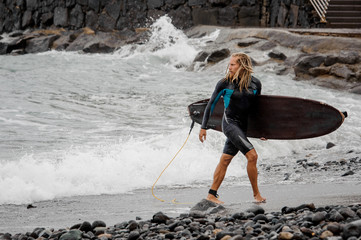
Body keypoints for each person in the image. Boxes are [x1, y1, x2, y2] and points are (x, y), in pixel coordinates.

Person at [199, 52, 266, 204]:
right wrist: (203, 127)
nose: (229, 67)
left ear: (242, 66)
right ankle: (256, 195)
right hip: (229, 124)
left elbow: (256, 110)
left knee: (225, 160)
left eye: (232, 64)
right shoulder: (224, 83)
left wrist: (261, 131)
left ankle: (211, 194)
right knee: (252, 156)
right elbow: (211, 104)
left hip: (242, 126)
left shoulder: (256, 84)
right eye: (229, 64)